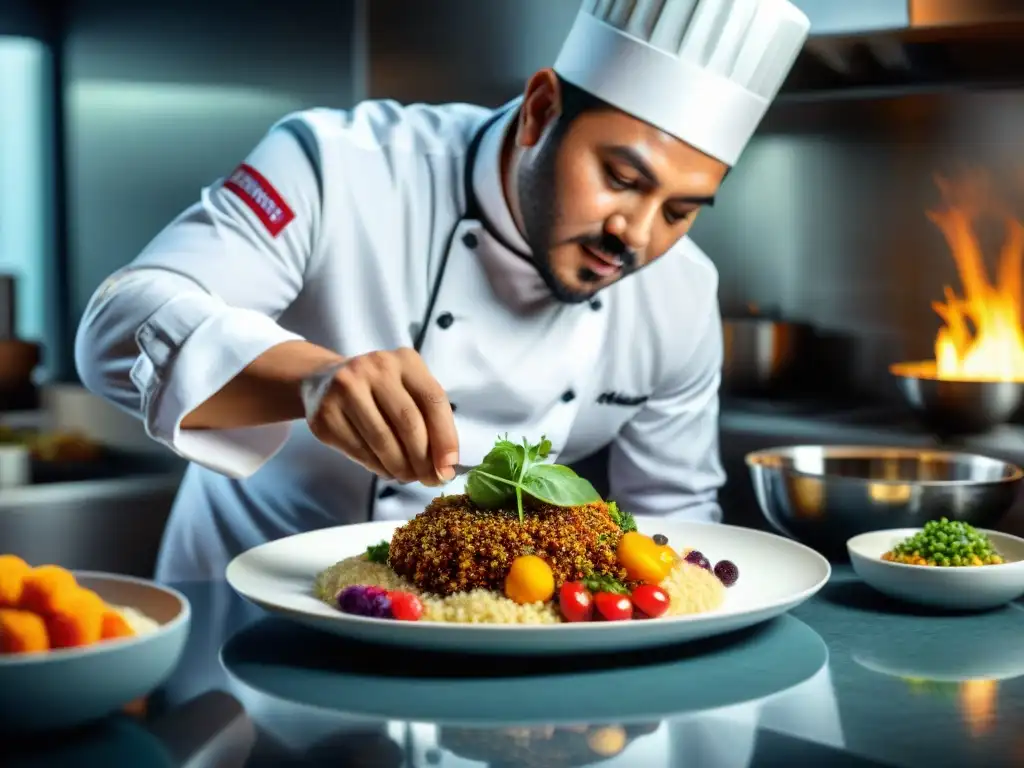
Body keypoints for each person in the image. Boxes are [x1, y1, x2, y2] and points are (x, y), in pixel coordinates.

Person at [75, 0, 811, 582]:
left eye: (680, 211)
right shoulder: (340, 167)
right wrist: (311, 378)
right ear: (541, 110)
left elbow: (675, 525)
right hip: (254, 629)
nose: (637, 235)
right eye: (620, 178)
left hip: (493, 662)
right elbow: (115, 327)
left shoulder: (680, 295)